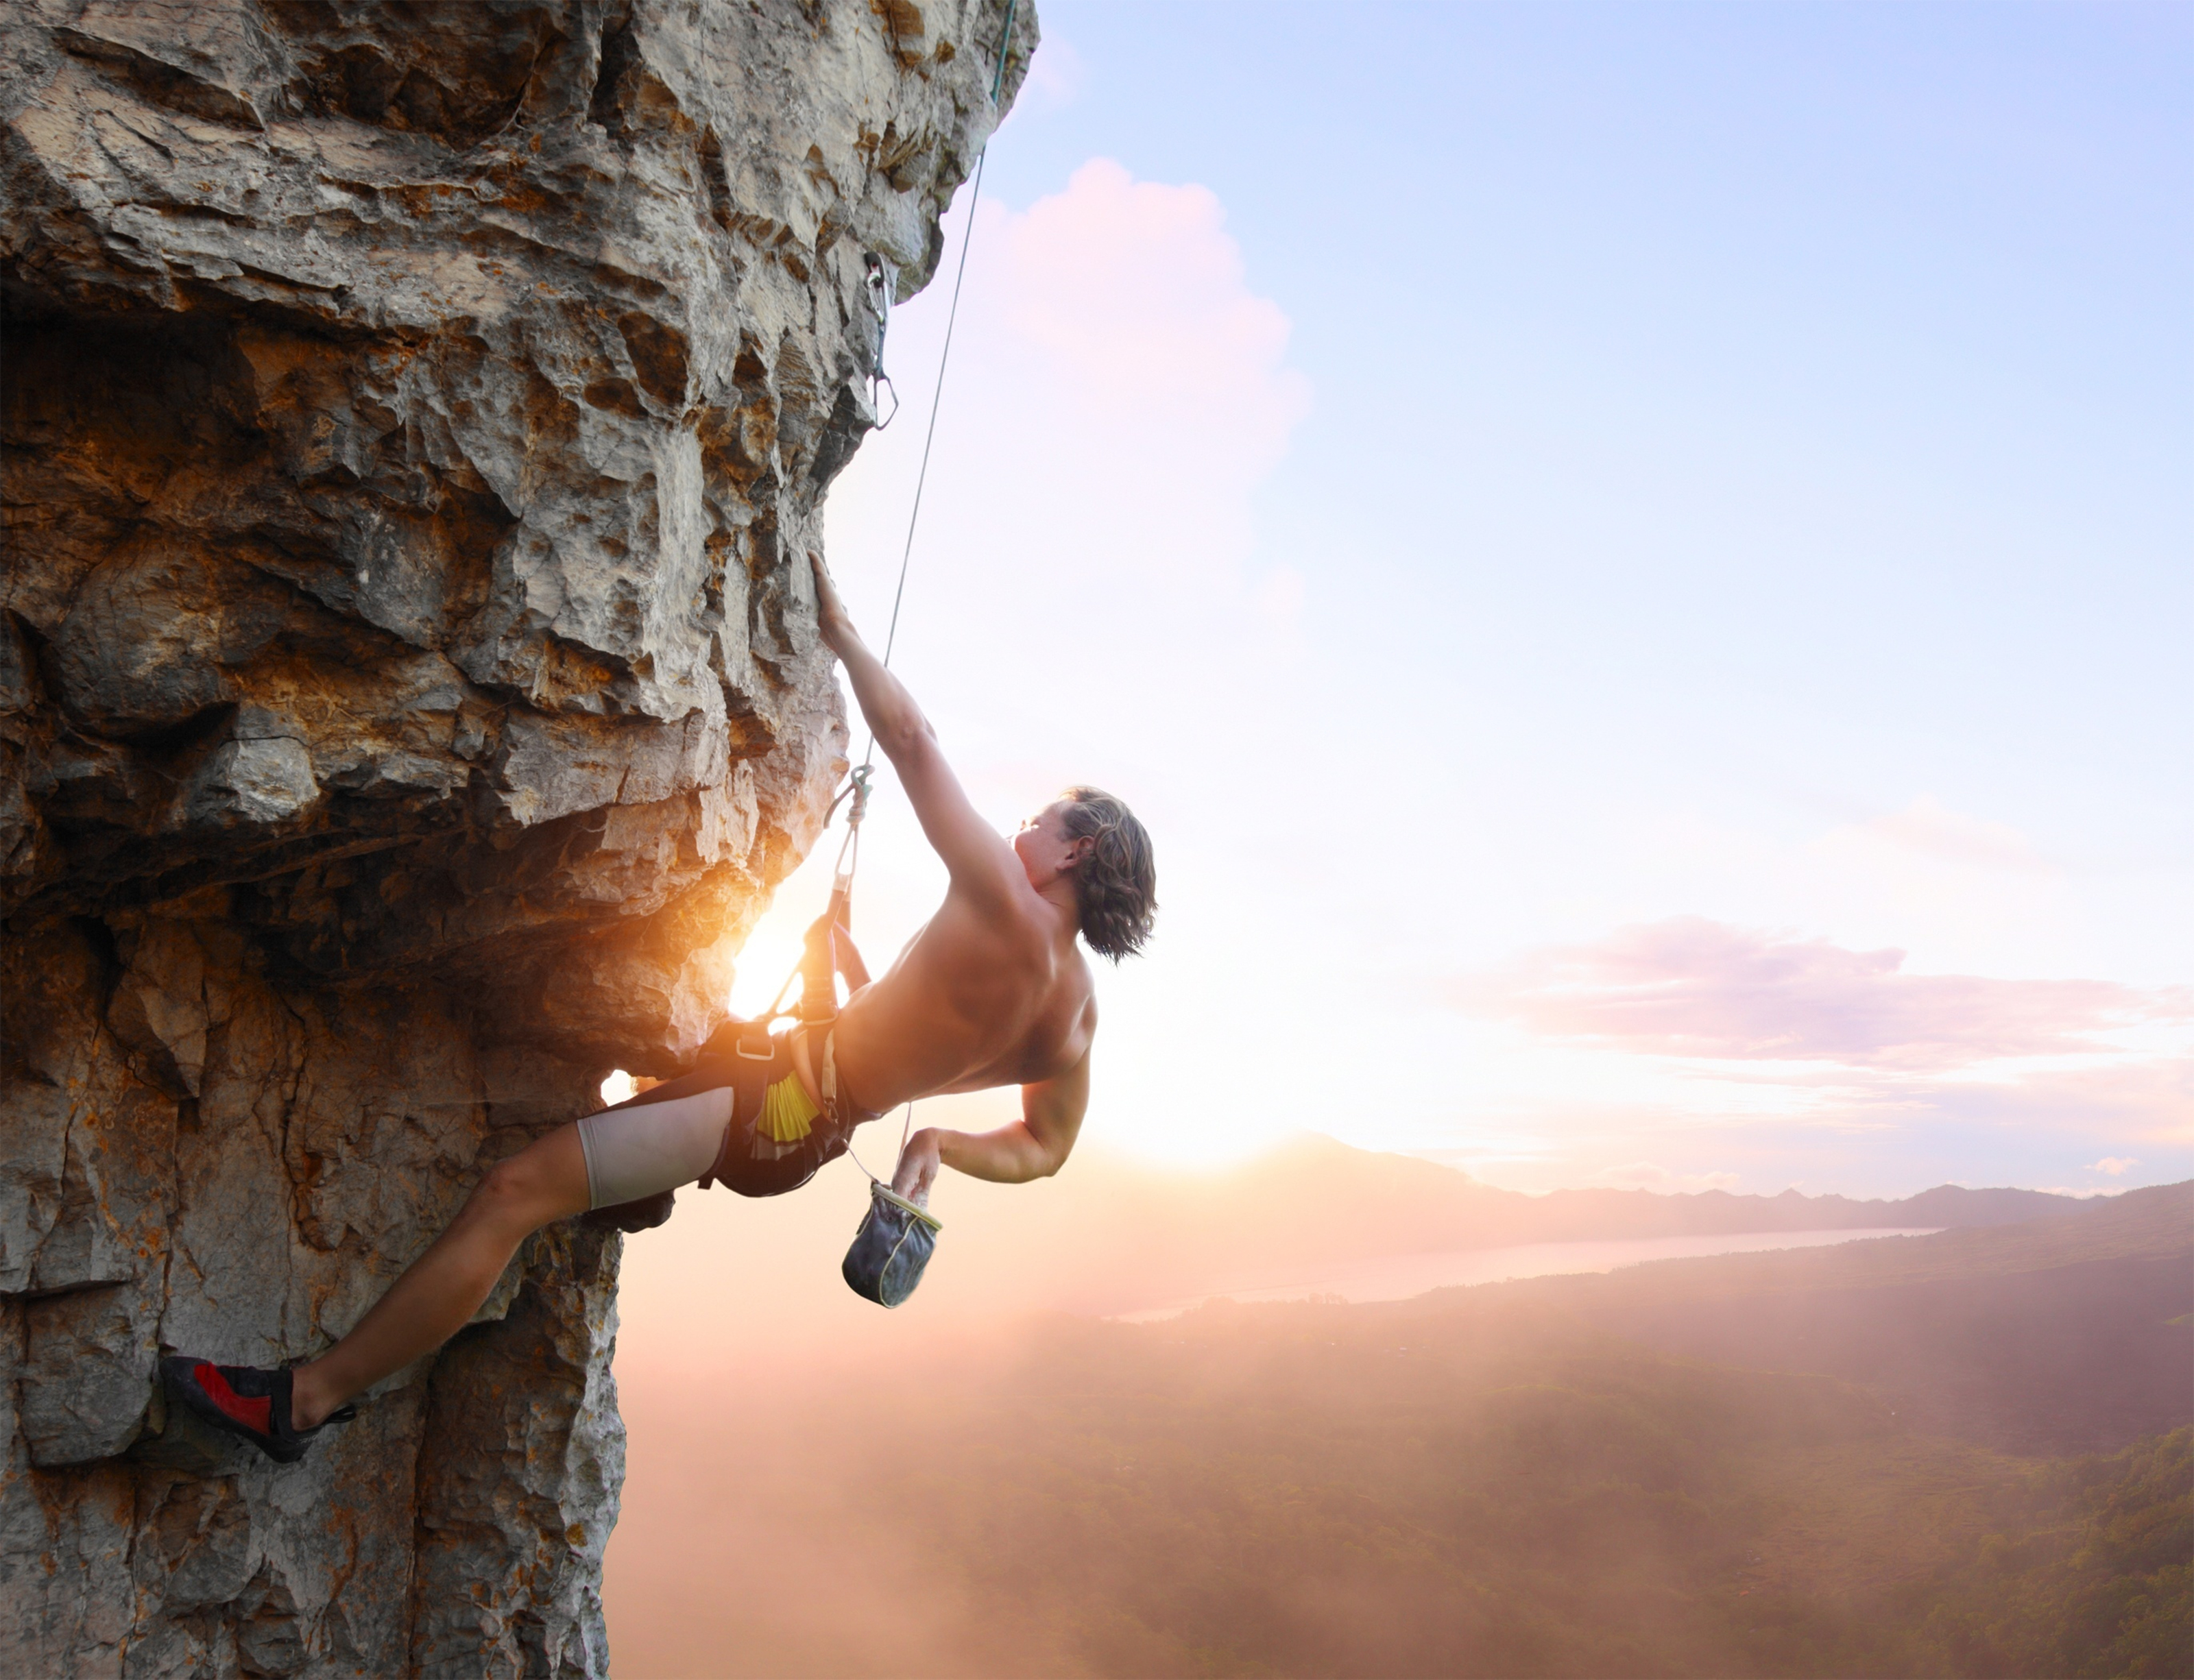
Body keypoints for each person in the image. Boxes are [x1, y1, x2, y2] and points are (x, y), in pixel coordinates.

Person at [162, 552, 1157, 1463]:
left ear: (1075, 852)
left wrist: (843, 631)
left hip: (767, 1105)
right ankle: (636, 1171)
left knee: (512, 1194)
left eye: (1040, 822)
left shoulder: (1004, 902)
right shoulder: (1075, 1021)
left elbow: (911, 738)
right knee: (641, 1081)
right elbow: (1044, 1147)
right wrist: (937, 1141)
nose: (1020, 831)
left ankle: (303, 1403)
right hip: (804, 1120)